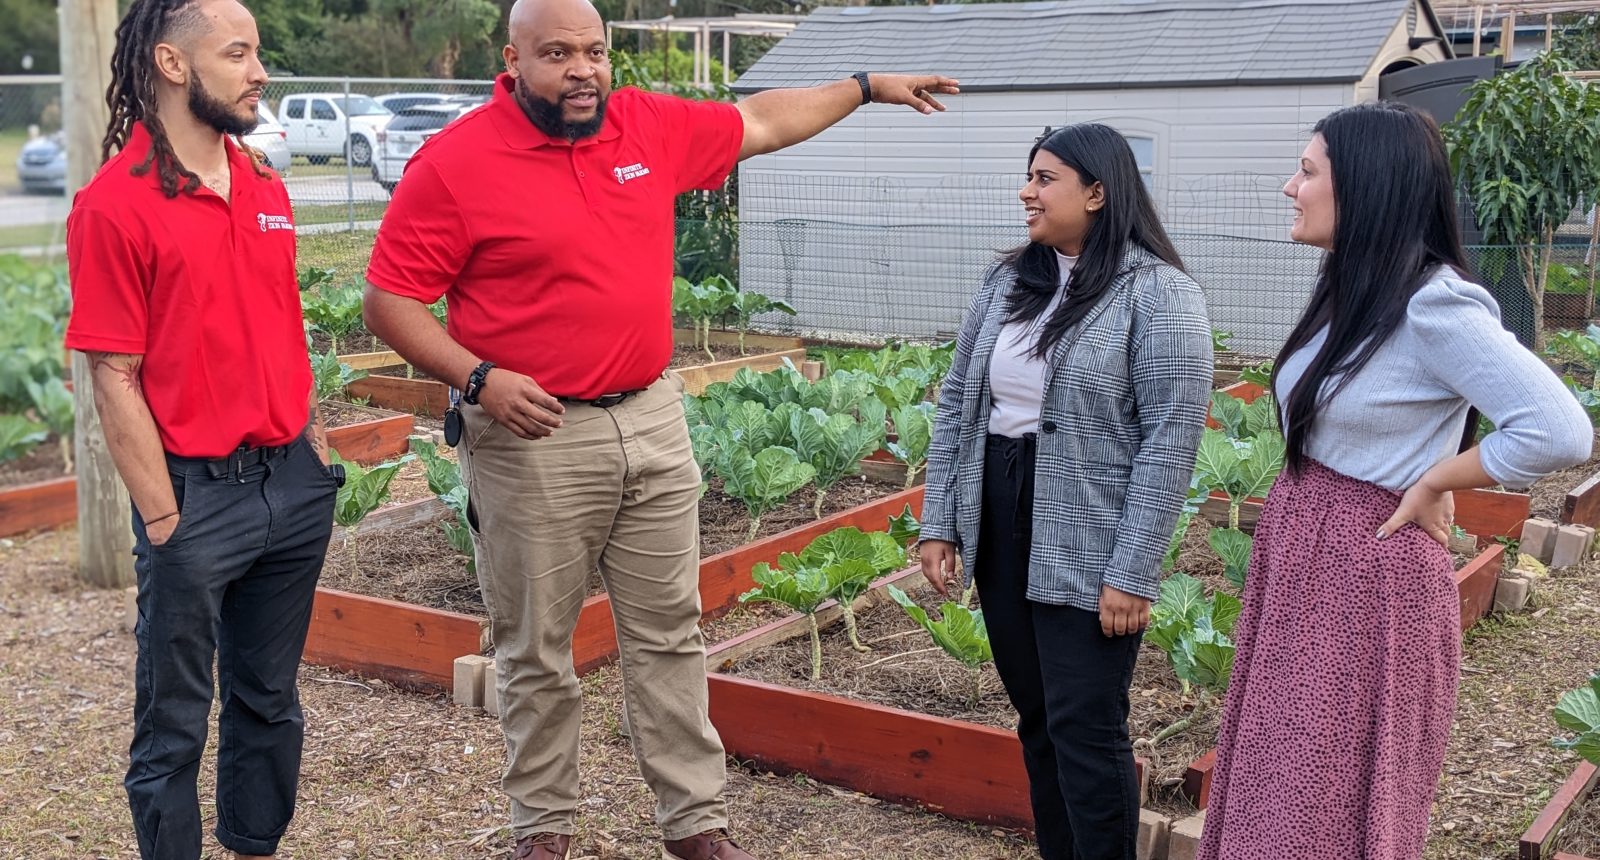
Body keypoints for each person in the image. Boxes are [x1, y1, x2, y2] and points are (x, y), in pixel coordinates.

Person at [360, 0, 957, 857]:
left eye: (595, 51)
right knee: (536, 649)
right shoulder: (456, 164)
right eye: (557, 53)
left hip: (651, 417)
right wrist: (478, 378)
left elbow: (760, 122)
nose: (583, 69)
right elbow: (389, 299)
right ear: (513, 60)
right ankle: (544, 830)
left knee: (671, 633)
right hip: (535, 438)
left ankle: (694, 824)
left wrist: (863, 87)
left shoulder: (643, 125)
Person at [1197, 102, 1593, 859]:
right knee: (1275, 784)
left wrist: (1438, 477)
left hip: (1369, 573)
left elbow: (1559, 429)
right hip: (1306, 552)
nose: (1290, 187)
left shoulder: (1433, 303)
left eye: (1307, 172)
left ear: (1366, 187)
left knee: (1320, 803)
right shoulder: (1354, 289)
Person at [62, 1, 341, 859]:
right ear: (174, 65)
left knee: (270, 702)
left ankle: (255, 844)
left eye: (257, 53)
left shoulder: (263, 184)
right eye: (239, 53)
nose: (261, 72)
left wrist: (313, 450)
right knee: (174, 724)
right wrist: (163, 519)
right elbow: (113, 375)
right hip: (195, 501)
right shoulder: (115, 206)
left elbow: (282, 325)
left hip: (291, 487)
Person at [917, 124, 1213, 860]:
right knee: (1039, 718)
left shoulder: (1160, 294)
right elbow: (958, 403)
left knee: (1086, 725)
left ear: (1098, 193)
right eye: (1030, 176)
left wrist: (1133, 571)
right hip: (1001, 508)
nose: (1027, 192)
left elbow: (1170, 442)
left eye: (1045, 179)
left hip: (1090, 530)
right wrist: (940, 520)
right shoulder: (1009, 282)